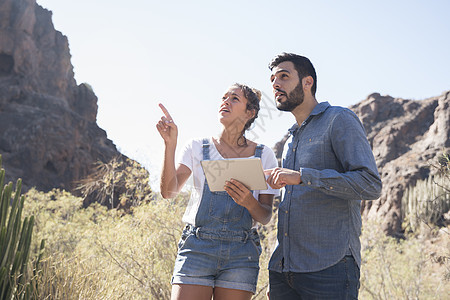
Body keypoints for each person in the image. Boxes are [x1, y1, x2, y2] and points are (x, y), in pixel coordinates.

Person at [264, 53, 382, 299]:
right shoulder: (290, 139)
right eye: (273, 79)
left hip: (330, 269)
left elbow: (370, 185)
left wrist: (303, 177)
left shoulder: (339, 119)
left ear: (308, 82)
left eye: (284, 77)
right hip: (283, 270)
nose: (276, 84)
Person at [157, 83, 280, 300]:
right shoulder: (196, 147)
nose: (225, 101)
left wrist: (248, 202)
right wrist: (170, 144)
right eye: (224, 97)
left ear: (250, 113)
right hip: (197, 248)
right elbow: (169, 192)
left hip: (241, 254)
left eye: (234, 98)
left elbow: (265, 216)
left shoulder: (264, 155)